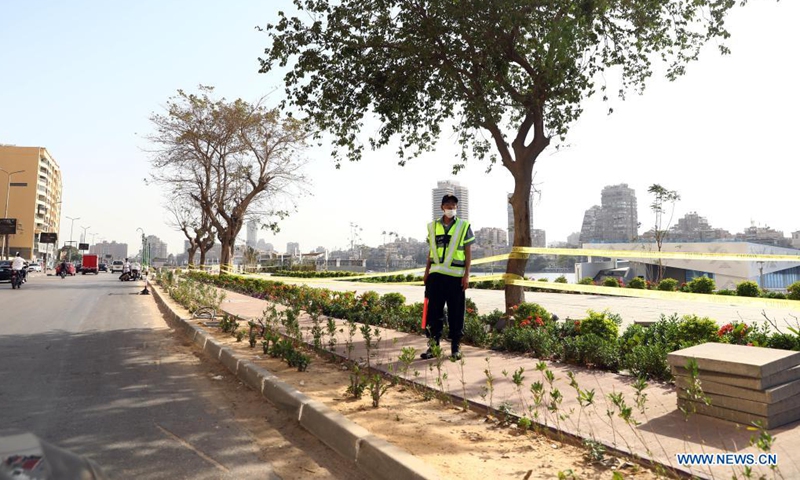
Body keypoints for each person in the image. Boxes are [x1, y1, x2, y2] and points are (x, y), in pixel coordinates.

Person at [421, 194, 475, 361]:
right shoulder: (432, 227)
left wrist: (467, 275)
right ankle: (433, 347)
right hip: (436, 277)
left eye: (453, 205)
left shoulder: (464, 226)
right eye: (448, 205)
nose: (450, 208)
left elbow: (467, 251)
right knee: (433, 313)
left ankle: (455, 348)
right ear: (442, 207)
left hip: (456, 277)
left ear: (457, 208)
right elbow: (431, 251)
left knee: (456, 313)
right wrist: (426, 271)